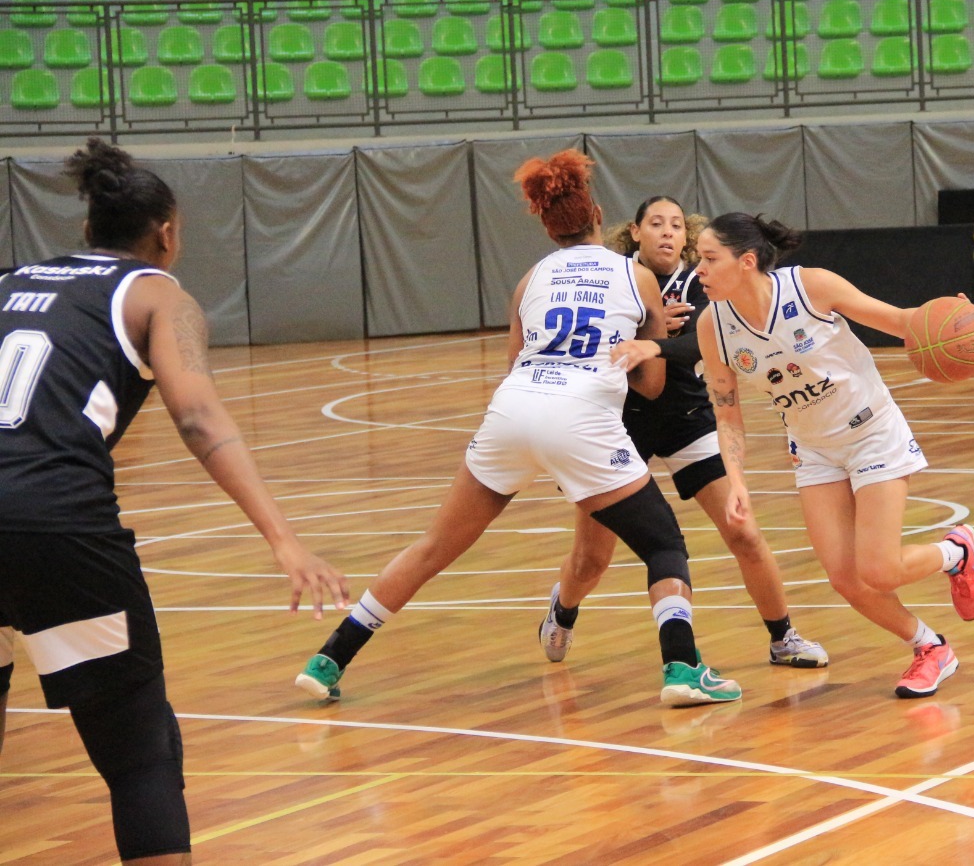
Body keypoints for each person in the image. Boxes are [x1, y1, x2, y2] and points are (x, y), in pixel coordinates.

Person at [0, 139, 349, 866]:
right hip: (54, 523)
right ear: (166, 233)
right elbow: (198, 418)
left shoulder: (8, 279)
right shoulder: (159, 293)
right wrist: (285, 540)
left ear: (90, 224)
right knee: (140, 754)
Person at [296, 151, 742, 708]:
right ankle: (681, 668)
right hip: (580, 418)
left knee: (434, 547)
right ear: (601, 216)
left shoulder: (530, 278)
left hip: (512, 410)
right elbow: (651, 385)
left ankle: (330, 657)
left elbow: (513, 364)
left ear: (551, 226)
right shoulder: (634, 275)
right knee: (663, 544)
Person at [694, 213, 974, 699]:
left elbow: (898, 320)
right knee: (847, 580)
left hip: (871, 432)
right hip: (813, 449)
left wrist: (965, 323)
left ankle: (957, 552)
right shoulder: (714, 327)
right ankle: (930, 647)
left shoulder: (811, 287)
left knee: (879, 570)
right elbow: (727, 412)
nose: (698, 270)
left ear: (746, 261)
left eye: (709, 259)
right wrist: (738, 482)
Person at [540, 197, 827, 670]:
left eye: (676, 225)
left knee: (745, 532)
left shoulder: (702, 280)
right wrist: (645, 330)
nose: (667, 233)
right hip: (617, 422)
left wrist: (653, 341)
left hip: (687, 417)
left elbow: (703, 341)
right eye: (656, 224)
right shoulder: (613, 278)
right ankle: (563, 609)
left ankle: (783, 637)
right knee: (592, 558)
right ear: (635, 232)